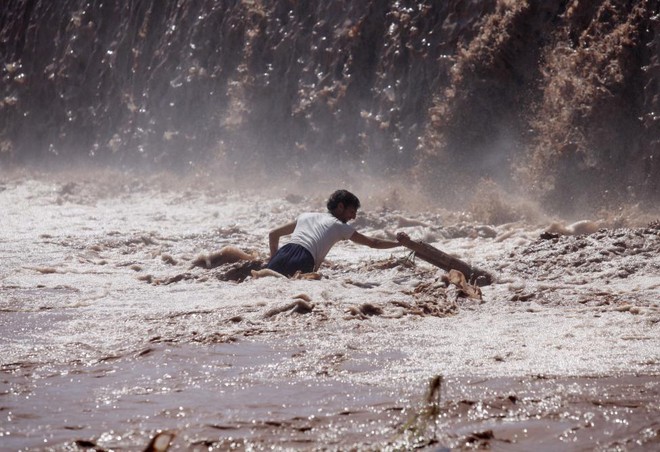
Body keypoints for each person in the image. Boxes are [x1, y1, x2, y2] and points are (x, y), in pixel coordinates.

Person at [266, 189, 409, 277]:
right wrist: (399, 244)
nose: (353, 217)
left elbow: (273, 234)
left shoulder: (306, 215)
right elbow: (373, 243)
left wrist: (273, 259)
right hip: (303, 259)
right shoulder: (339, 226)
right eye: (352, 212)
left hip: (282, 253)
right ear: (341, 207)